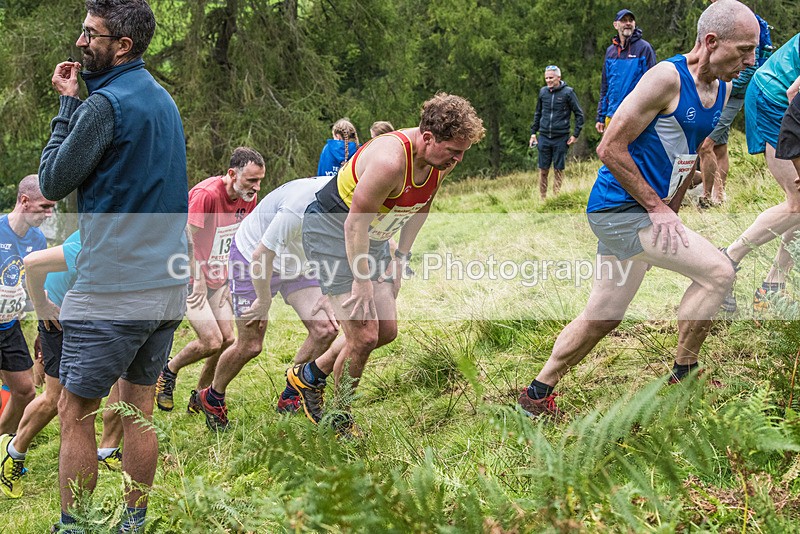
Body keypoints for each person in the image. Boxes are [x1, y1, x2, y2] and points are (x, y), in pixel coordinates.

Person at [518, 1, 759, 417]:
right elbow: (608, 147)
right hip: (618, 209)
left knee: (604, 315)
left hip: (647, 210)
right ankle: (684, 375)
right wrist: (656, 208)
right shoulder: (666, 78)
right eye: (744, 50)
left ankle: (535, 395)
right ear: (711, 41)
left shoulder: (721, 88)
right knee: (719, 272)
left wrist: (676, 205)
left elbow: (689, 152)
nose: (750, 61)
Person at [38, 0, 188, 530]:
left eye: (90, 34)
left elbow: (54, 182)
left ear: (121, 46)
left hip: (113, 287)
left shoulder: (104, 106)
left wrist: (65, 108)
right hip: (168, 283)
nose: (81, 43)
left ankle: (73, 526)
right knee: (138, 408)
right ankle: (135, 519)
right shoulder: (163, 101)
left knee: (75, 412)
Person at [286, 93, 485, 435]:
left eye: (462, 152)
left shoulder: (439, 162)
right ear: (428, 138)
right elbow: (353, 224)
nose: (459, 159)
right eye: (454, 151)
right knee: (363, 336)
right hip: (333, 233)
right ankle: (339, 418)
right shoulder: (390, 161)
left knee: (386, 331)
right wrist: (361, 280)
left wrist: (400, 259)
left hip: (374, 237)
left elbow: (421, 206)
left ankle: (308, 377)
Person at [195, 177, 339, 431]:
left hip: (298, 261)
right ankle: (213, 396)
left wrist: (330, 290)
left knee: (325, 329)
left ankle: (292, 394)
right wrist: (262, 301)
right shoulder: (297, 208)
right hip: (253, 256)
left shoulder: (356, 195)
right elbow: (262, 255)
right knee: (251, 344)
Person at [0, 231, 124, 499]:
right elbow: (33, 263)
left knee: (121, 379)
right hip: (58, 311)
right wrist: (42, 308)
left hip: (93, 311)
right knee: (56, 398)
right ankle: (12, 452)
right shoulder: (99, 232)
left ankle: (107, 449)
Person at [154, 147, 263, 413]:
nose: (257, 187)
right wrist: (199, 277)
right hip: (187, 275)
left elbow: (241, 239)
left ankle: (200, 396)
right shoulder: (207, 195)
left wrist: (230, 279)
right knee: (211, 341)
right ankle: (168, 372)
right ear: (231, 174)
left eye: (260, 180)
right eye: (251, 180)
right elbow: (185, 237)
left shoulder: (249, 197)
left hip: (219, 278)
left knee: (227, 339)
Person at [719, 33, 800, 313]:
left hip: (783, 100)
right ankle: (725, 262)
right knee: (798, 201)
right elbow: (794, 94)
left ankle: (771, 289)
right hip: (775, 98)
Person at [696, 0, 772, 207]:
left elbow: (754, 62)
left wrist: (728, 83)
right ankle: (719, 197)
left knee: (706, 145)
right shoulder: (716, 19)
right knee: (719, 146)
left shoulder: (748, 21)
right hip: (719, 86)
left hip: (730, 89)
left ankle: (706, 197)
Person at [0, 175, 53, 444]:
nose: (50, 213)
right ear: (24, 201)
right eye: (45, 207)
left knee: (25, 392)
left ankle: (2, 442)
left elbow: (34, 290)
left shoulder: (38, 241)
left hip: (9, 328)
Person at [595, 9, 656, 134]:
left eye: (631, 20)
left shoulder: (644, 48)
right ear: (615, 25)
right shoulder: (610, 52)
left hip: (635, 115)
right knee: (608, 152)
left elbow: (652, 85)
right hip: (612, 114)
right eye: (624, 20)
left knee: (633, 153)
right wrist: (600, 116)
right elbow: (605, 86)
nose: (628, 23)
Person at [529, 66, 584, 200]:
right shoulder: (543, 92)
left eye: (551, 78)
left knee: (558, 169)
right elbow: (538, 113)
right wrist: (533, 133)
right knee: (543, 170)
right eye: (546, 78)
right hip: (544, 137)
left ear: (558, 78)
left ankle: (556, 197)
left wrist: (575, 134)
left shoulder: (568, 93)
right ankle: (542, 198)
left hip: (561, 137)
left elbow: (579, 114)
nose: (548, 80)